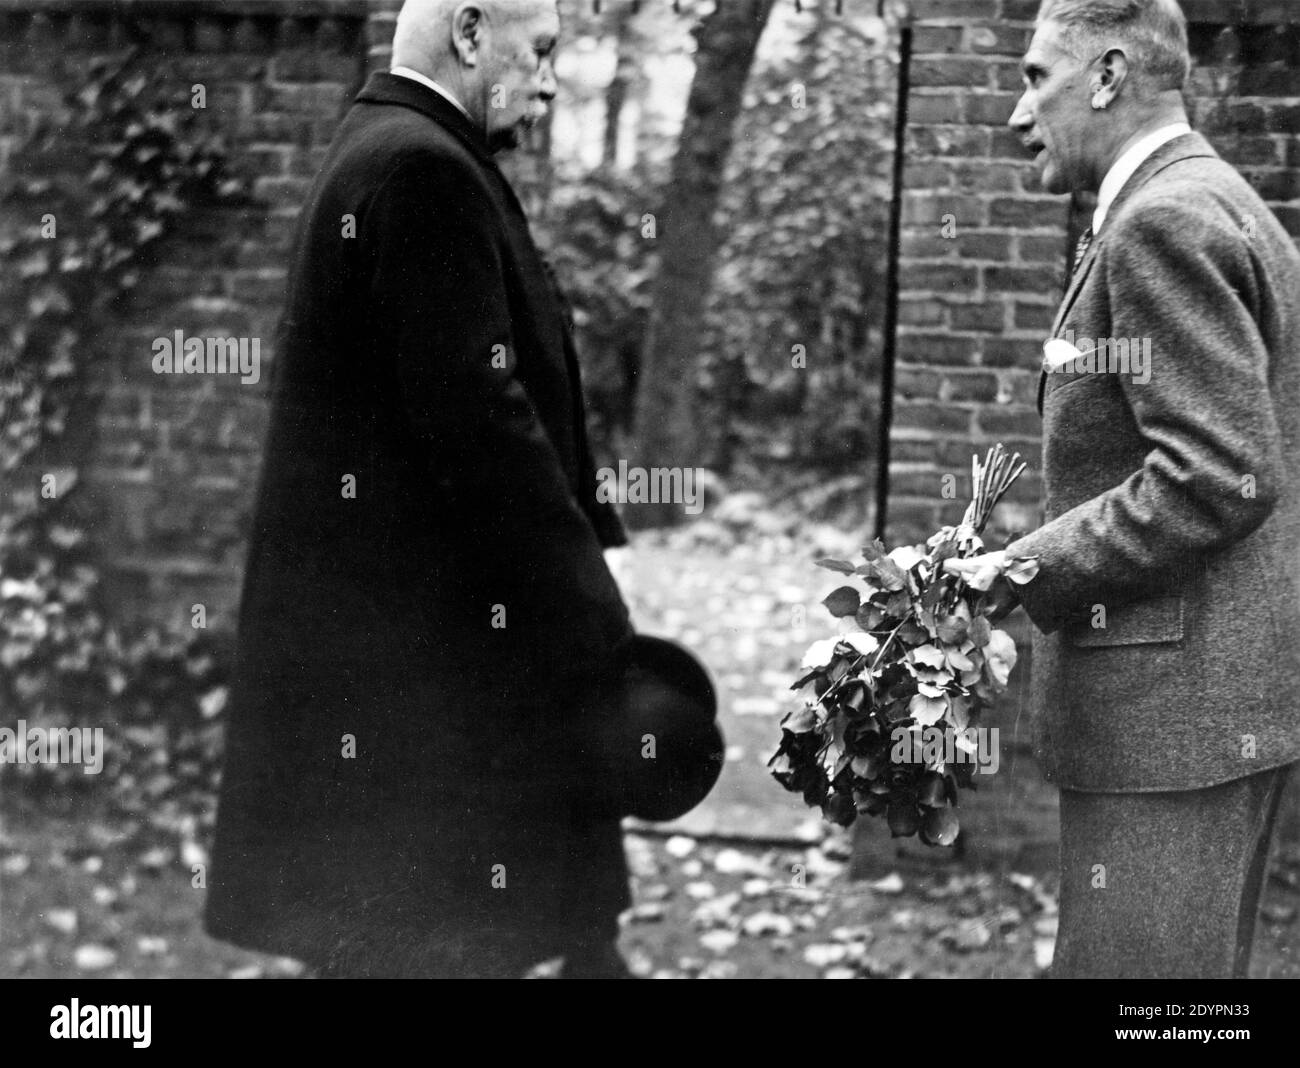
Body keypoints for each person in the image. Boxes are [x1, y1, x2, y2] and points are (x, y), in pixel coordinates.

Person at [204, 0, 636, 978]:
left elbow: (497, 391)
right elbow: (479, 423)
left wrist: (589, 542)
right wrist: (590, 601)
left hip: (404, 667)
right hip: (418, 682)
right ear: (472, 33)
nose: (552, 78)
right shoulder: (420, 171)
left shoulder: (405, 151)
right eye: (542, 52)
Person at [947, 0, 1300, 978]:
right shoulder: (1217, 199)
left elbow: (1218, 475)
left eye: (1033, 79)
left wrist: (1018, 567)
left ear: (1106, 75)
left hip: (1168, 719)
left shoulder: (1161, 223)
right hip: (1216, 706)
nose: (1018, 116)